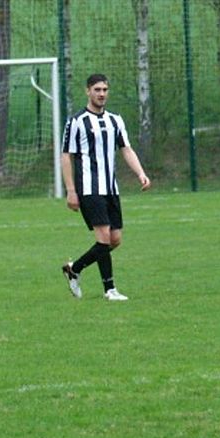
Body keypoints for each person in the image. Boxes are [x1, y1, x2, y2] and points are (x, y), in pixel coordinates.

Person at [60, 73, 151, 301]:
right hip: (89, 188)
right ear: (88, 91)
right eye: (97, 90)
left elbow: (126, 149)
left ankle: (74, 269)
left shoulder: (115, 120)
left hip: (111, 188)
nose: (101, 94)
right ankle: (110, 290)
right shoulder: (77, 121)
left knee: (115, 239)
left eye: (105, 90)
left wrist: (140, 173)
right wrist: (70, 191)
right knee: (103, 238)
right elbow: (66, 156)